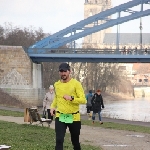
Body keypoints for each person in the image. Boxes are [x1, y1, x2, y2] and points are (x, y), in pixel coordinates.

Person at [50, 62, 86, 150]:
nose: (63, 73)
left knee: (75, 141)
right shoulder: (57, 85)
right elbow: (57, 98)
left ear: (69, 71)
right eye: (61, 71)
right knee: (59, 140)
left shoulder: (76, 84)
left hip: (74, 117)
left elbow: (83, 100)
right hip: (60, 116)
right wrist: (52, 106)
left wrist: (72, 98)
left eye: (65, 71)